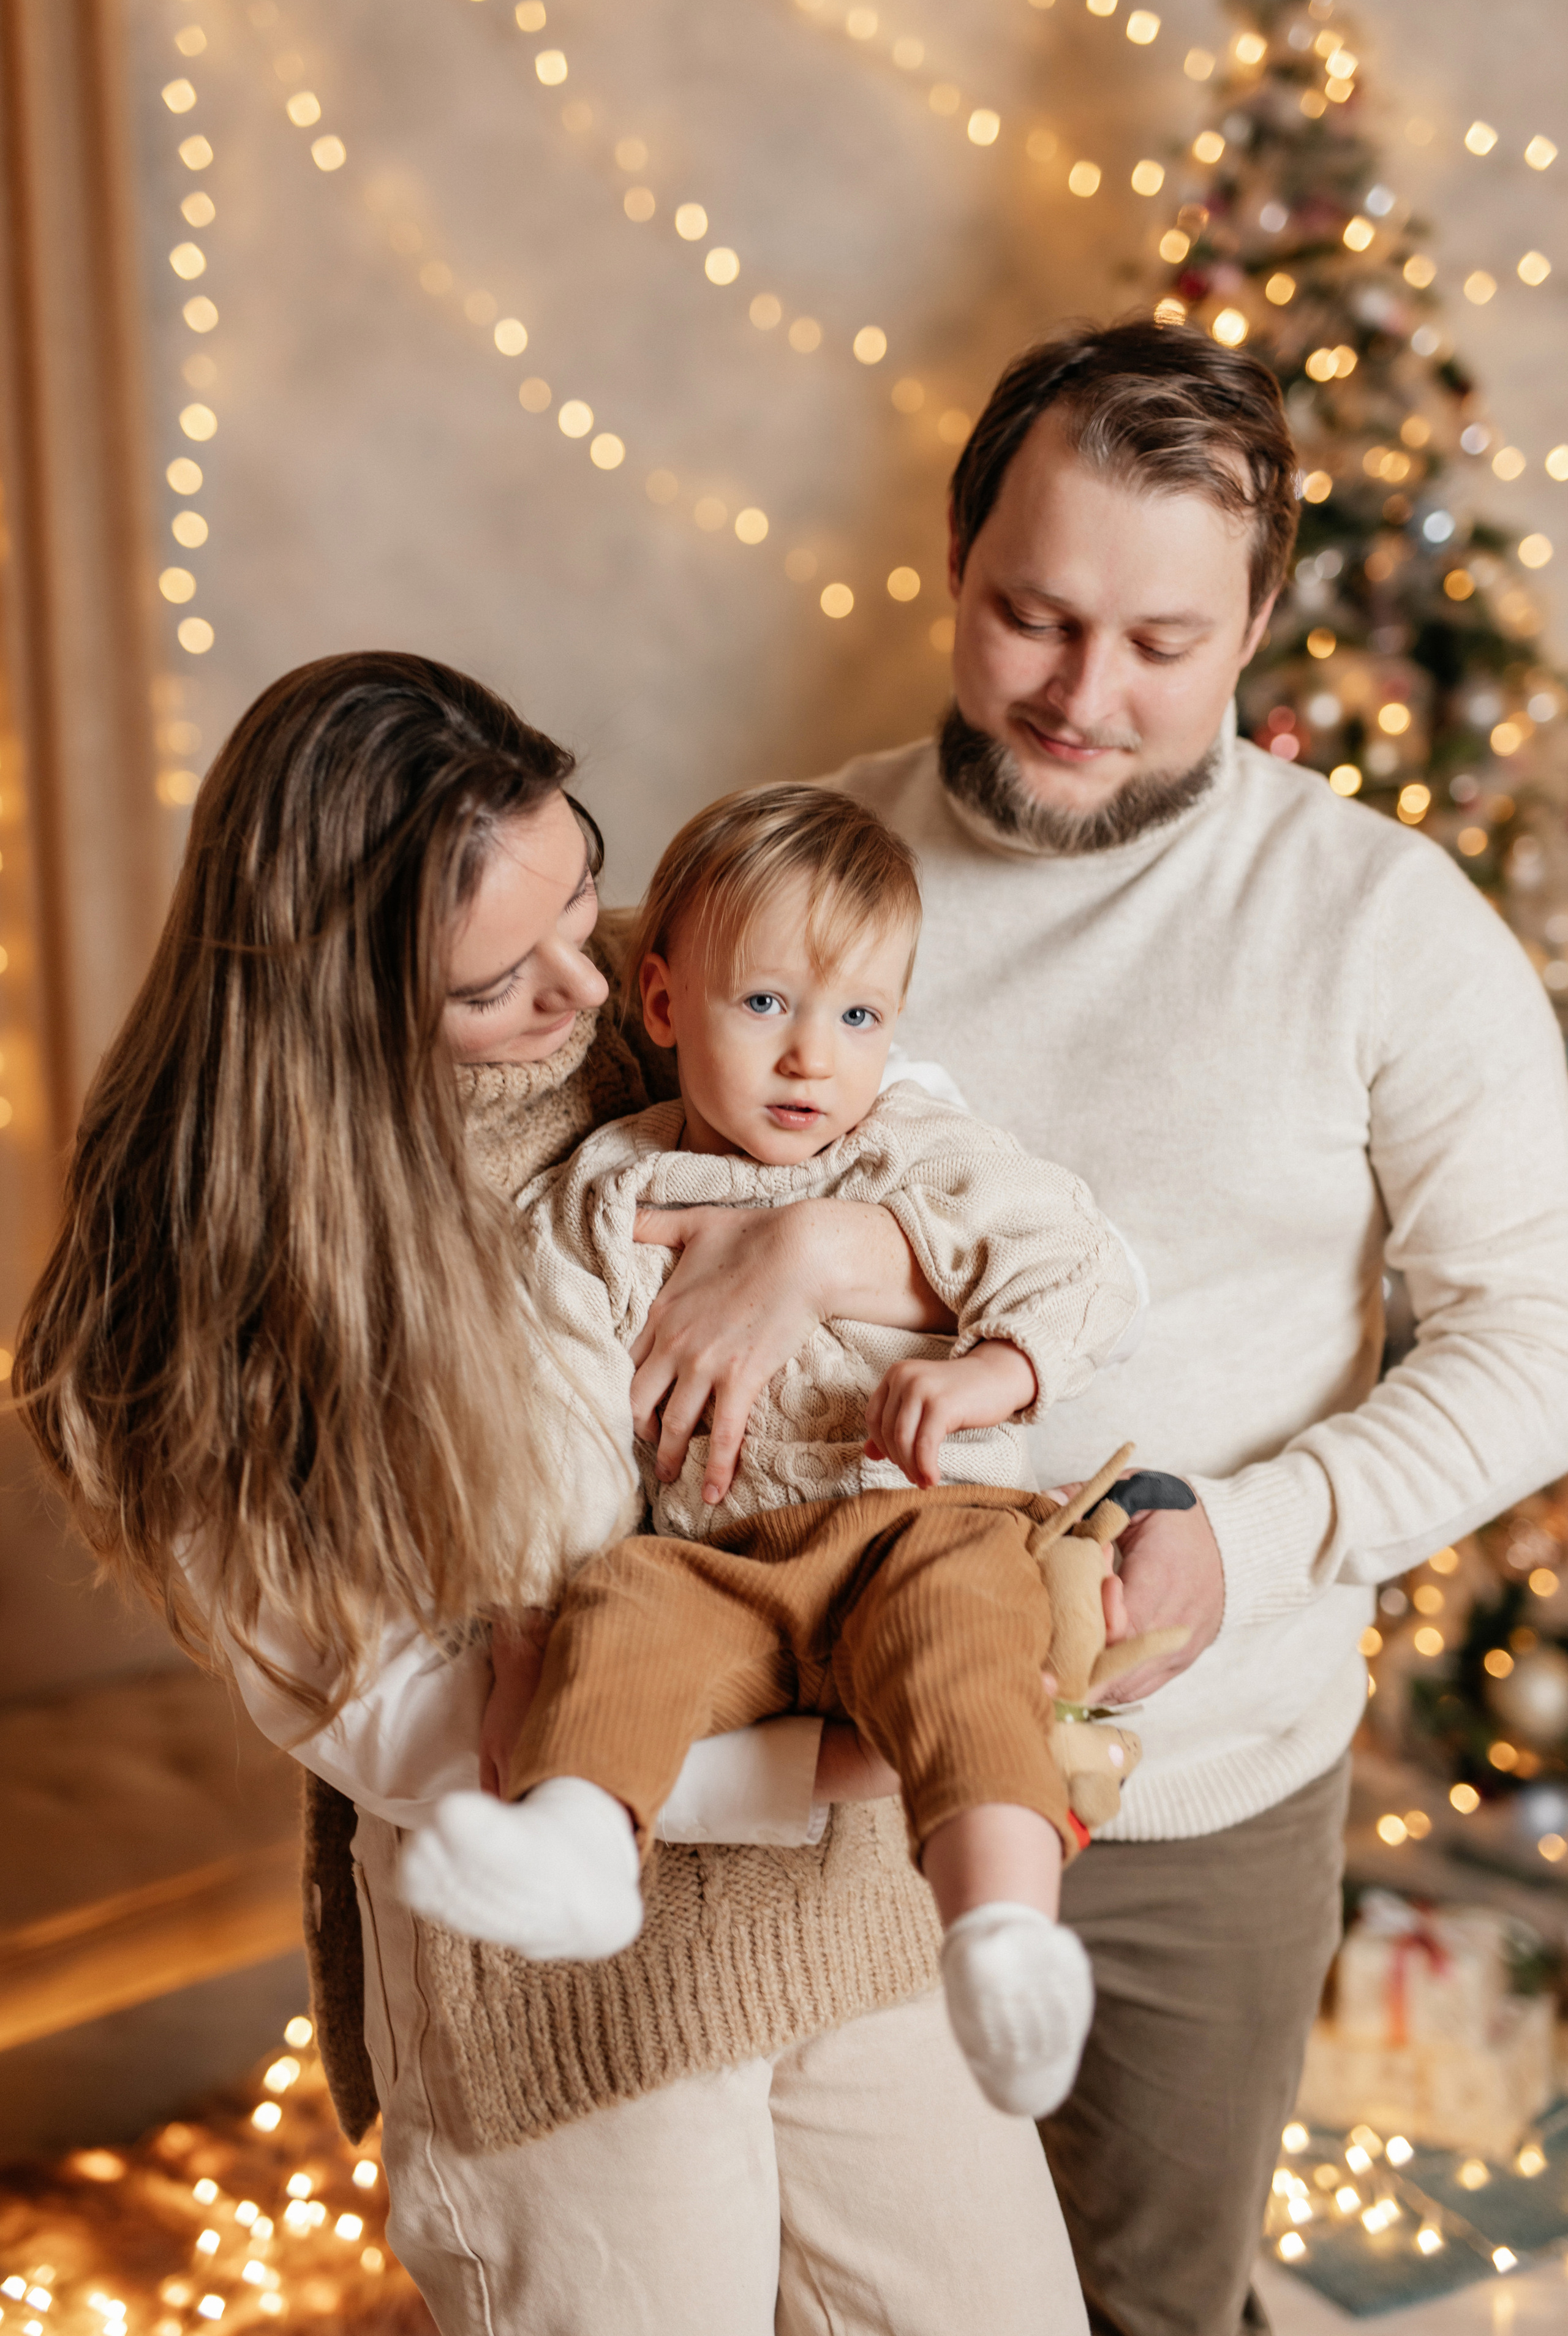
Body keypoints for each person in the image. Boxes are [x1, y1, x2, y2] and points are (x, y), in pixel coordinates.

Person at [14, 652, 1091, 2336]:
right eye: (496, 983)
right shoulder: (233, 1276)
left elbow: (944, 1163)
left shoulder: (698, 984)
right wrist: (839, 1757)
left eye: (586, 896)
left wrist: (816, 1253)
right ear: (336, 998)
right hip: (566, 2013)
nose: (585, 992)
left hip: (853, 1926)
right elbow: (396, 1716)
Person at [816, 317, 1568, 2334]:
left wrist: (1258, 1539)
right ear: (955, 561)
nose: (1079, 698)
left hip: (1197, 1797)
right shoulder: (798, 875)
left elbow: (1541, 1334)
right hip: (809, 1787)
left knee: (1144, 2301)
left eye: (1160, 645)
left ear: (1257, 621)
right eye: (1032, 619)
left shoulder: (1381, 926)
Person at [398, 781, 1150, 2120]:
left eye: (857, 1018)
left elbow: (1082, 1263)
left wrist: (995, 1363)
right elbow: (550, 1395)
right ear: (663, 1005)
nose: (813, 1059)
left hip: (913, 1522)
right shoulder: (612, 1191)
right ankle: (577, 1845)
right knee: (618, 1605)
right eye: (765, 1007)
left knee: (968, 1647)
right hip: (721, 1558)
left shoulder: (915, 1148)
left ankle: (1003, 1936)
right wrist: (533, 1603)